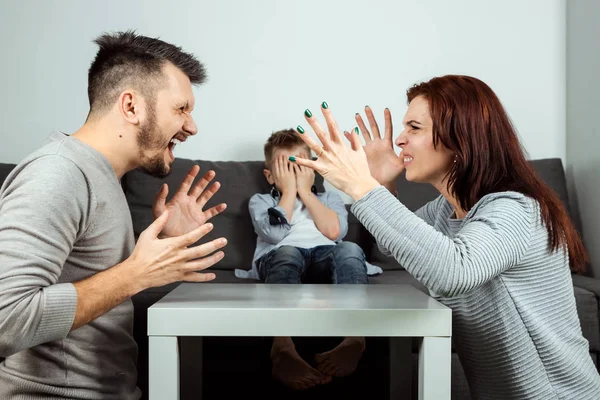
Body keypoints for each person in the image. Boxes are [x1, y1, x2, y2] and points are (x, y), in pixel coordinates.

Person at [288, 76, 600, 399]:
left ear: (459, 138)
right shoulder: (447, 210)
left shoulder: (516, 209)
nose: (399, 139)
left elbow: (454, 270)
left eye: (414, 128)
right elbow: (394, 247)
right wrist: (380, 186)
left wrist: (360, 186)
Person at [0, 31, 228, 399]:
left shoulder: (101, 175)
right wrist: (136, 273)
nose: (192, 126)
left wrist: (163, 247)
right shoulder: (57, 174)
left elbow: (91, 282)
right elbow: (5, 321)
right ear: (131, 106)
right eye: (181, 108)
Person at [235, 128, 380, 390]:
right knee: (288, 253)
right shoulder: (261, 200)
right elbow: (275, 234)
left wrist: (307, 192)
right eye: (285, 168)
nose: (294, 174)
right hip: (281, 257)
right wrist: (289, 192)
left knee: (349, 248)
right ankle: (282, 347)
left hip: (325, 256)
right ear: (270, 176)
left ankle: (354, 339)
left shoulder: (329, 197)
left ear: (312, 170)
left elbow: (334, 232)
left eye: (300, 167)